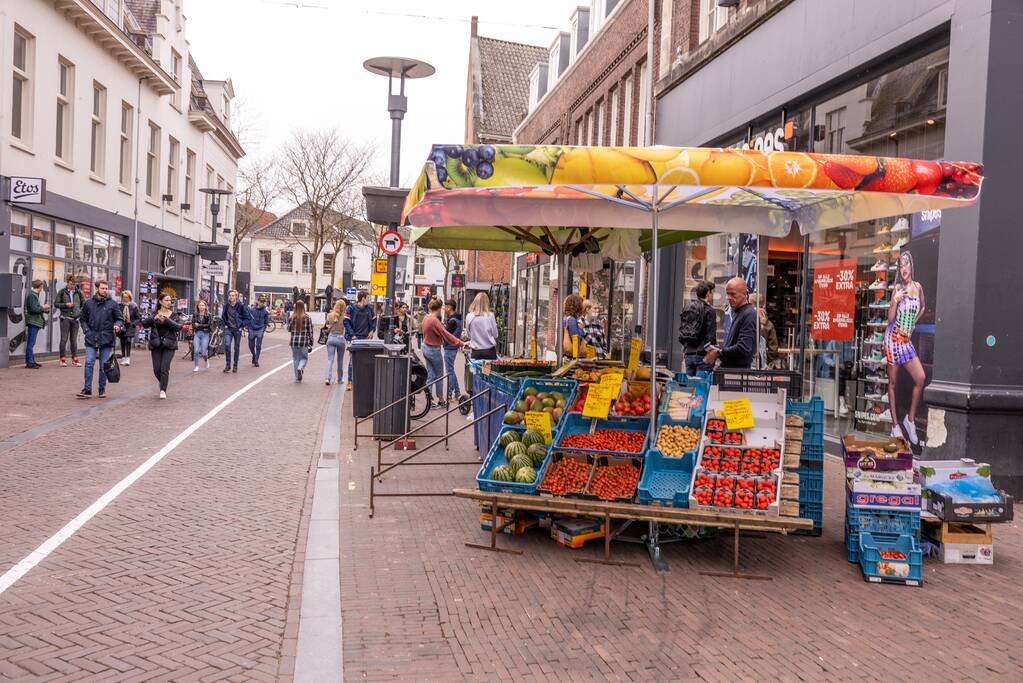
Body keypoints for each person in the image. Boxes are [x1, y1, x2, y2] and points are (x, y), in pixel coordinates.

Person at [885, 250, 926, 446]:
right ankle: (895, 425)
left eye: (906, 264)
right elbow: (890, 319)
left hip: (906, 340)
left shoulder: (918, 287)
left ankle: (910, 420)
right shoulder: (897, 289)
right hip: (894, 339)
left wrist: (914, 322)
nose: (904, 268)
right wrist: (895, 300)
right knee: (892, 382)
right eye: (900, 265)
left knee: (920, 378)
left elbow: (923, 307)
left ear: (911, 266)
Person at [77, 280, 124, 399]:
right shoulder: (88, 303)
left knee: (104, 365)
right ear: (97, 289)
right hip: (91, 337)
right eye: (102, 288)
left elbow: (119, 319)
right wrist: (86, 330)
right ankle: (87, 389)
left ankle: (102, 389)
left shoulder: (112, 304)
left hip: (106, 338)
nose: (105, 290)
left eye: (106, 288)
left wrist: (117, 325)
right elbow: (83, 319)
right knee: (89, 363)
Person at [704, 277, 755, 369]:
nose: (728, 298)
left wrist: (719, 352)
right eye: (727, 294)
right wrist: (719, 350)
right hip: (731, 370)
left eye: (733, 294)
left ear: (744, 294)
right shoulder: (739, 312)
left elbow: (743, 348)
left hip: (736, 372)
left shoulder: (749, 314)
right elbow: (736, 344)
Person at [422, 298, 464, 407]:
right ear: (439, 308)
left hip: (425, 347)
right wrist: (461, 343)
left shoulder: (426, 317)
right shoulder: (435, 320)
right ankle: (441, 399)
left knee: (430, 374)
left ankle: (428, 400)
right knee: (439, 376)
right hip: (434, 350)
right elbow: (446, 335)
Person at [141, 293, 182, 399]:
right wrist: (154, 318)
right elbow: (144, 324)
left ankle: (163, 389)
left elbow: (178, 327)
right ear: (160, 301)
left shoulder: (174, 315)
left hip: (169, 344)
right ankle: (163, 381)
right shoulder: (154, 313)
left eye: (170, 301)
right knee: (157, 369)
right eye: (166, 300)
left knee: (164, 368)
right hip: (156, 344)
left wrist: (166, 320)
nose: (169, 302)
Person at [680, 281, 717, 376]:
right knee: (702, 384)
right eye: (713, 292)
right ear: (708, 293)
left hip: (688, 353)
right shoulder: (709, 310)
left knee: (689, 384)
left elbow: (682, 329)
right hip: (703, 355)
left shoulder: (688, 307)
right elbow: (710, 337)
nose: (713, 295)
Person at [343, 292, 376, 391]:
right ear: (363, 298)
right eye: (368, 298)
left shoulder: (369, 308)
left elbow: (374, 320)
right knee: (352, 361)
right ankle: (350, 381)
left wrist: (372, 330)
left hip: (366, 338)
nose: (369, 300)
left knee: (365, 360)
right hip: (355, 338)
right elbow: (346, 322)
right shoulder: (351, 308)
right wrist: (352, 335)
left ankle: (362, 381)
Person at [55, 273, 84, 367]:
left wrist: (79, 313)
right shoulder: (62, 292)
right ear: (67, 283)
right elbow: (56, 304)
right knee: (64, 339)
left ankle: (75, 359)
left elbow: (84, 304)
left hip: (75, 319)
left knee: (74, 340)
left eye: (74, 284)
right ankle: (62, 359)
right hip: (65, 318)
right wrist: (66, 305)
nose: (72, 286)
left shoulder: (79, 292)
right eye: (71, 284)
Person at [221, 289, 250, 374]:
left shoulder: (241, 306)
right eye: (230, 295)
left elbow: (247, 318)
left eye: (233, 295)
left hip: (237, 329)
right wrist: (225, 324)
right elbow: (223, 316)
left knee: (236, 348)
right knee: (227, 345)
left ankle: (235, 365)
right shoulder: (226, 305)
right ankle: (228, 365)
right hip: (228, 329)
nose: (231, 297)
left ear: (236, 297)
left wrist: (241, 326)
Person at [464, 292, 499, 360]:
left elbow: (468, 335)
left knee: (476, 367)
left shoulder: (469, 316)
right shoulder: (490, 316)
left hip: (476, 351)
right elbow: (495, 334)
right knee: (489, 367)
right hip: (489, 351)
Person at [24, 279, 49, 369]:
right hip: (33, 322)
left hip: (34, 322)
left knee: (31, 343)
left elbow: (35, 308)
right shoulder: (32, 295)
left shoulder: (33, 295)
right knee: (31, 343)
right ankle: (30, 362)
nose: (42, 288)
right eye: (42, 286)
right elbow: (34, 309)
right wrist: (43, 307)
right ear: (40, 286)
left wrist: (44, 309)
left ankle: (31, 361)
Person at [749, 294, 779, 368]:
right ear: (764, 305)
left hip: (748, 363)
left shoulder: (747, 320)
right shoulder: (769, 324)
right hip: (763, 364)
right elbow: (773, 348)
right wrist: (765, 360)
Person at [442, 299, 463, 401]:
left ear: (450, 307)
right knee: (451, 370)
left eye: (445, 306)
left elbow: (446, 334)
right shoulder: (456, 319)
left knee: (449, 371)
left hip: (450, 348)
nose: (444, 308)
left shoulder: (452, 321)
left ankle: (450, 394)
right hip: (453, 347)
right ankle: (457, 392)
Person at [287, 299, 313, 382]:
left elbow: (288, 329)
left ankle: (297, 378)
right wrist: (311, 341)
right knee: (304, 358)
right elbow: (310, 331)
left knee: (295, 359)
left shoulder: (292, 317)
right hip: (303, 341)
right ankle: (300, 368)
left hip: (294, 341)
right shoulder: (307, 317)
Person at [324, 300, 347, 386]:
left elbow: (326, 326)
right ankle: (340, 379)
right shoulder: (345, 317)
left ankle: (327, 378)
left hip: (331, 338)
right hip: (340, 339)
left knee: (330, 359)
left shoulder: (330, 315)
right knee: (340, 360)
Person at [117, 291, 141, 366]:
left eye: (127, 297)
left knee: (128, 340)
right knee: (122, 341)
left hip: (130, 326)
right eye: (123, 297)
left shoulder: (133, 306)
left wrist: (133, 324)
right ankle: (123, 357)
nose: (125, 299)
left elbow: (138, 318)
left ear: (130, 298)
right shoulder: (119, 306)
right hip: (122, 326)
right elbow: (117, 316)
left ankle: (128, 357)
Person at [561, 294, 587, 358]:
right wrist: (582, 329)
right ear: (577, 306)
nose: (583, 307)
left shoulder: (566, 318)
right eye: (581, 304)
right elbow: (576, 339)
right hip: (571, 356)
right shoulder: (572, 320)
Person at [247, 298, 270, 367]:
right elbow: (248, 318)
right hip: (252, 329)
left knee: (258, 345)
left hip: (260, 329)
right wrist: (248, 327)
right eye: (261, 302)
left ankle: (256, 360)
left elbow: (266, 322)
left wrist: (263, 329)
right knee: (251, 345)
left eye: (263, 302)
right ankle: (254, 355)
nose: (262, 303)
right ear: (258, 302)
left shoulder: (265, 312)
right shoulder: (252, 310)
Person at [192, 299, 212, 371]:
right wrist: (199, 325)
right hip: (197, 334)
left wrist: (199, 325)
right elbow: (193, 325)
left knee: (203, 352)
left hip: (205, 334)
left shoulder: (208, 315)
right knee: (196, 350)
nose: (201, 307)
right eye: (200, 305)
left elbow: (209, 325)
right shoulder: (195, 314)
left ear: (205, 306)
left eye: (203, 305)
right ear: (198, 306)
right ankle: (196, 366)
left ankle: (206, 361)